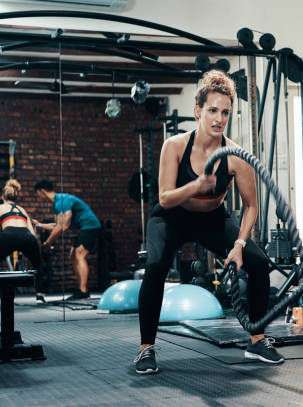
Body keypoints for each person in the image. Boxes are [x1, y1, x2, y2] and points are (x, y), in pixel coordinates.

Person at [134, 70, 284, 375]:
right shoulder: (174, 146)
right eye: (213, 110)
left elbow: (252, 205)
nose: (219, 118)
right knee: (156, 265)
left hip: (212, 219)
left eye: (225, 112)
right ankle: (145, 348)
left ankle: (256, 340)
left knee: (257, 263)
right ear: (198, 111)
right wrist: (195, 186)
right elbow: (164, 198)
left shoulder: (236, 155)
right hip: (171, 217)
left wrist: (240, 245)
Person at [33, 179, 101, 300]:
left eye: (37, 194)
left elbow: (63, 226)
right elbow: (57, 225)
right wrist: (39, 225)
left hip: (90, 226)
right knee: (73, 256)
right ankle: (81, 289)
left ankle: (83, 290)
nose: (38, 197)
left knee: (79, 255)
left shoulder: (62, 201)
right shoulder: (57, 203)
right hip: (84, 228)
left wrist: (48, 242)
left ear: (42, 191)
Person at [0, 179, 42, 302]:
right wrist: (34, 249)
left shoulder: (1, 207)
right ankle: (39, 294)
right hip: (26, 236)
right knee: (38, 265)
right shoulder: (22, 209)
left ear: (3, 196)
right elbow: (32, 232)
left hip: (9, 234)